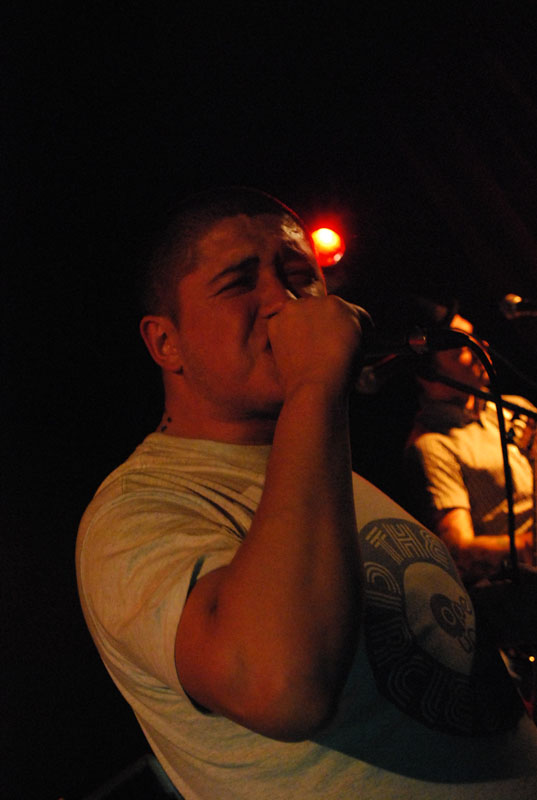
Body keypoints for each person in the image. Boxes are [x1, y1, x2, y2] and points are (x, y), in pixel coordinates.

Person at [76, 187, 537, 799]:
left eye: (300, 277)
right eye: (239, 283)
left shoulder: (317, 465)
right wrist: (316, 384)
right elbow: (280, 686)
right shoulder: (138, 509)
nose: (283, 302)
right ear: (166, 342)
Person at [403, 297, 536, 586]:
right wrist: (530, 546)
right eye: (461, 349)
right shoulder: (433, 446)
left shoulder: (514, 408)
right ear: (430, 377)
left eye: (474, 336)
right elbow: (460, 553)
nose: (480, 347)